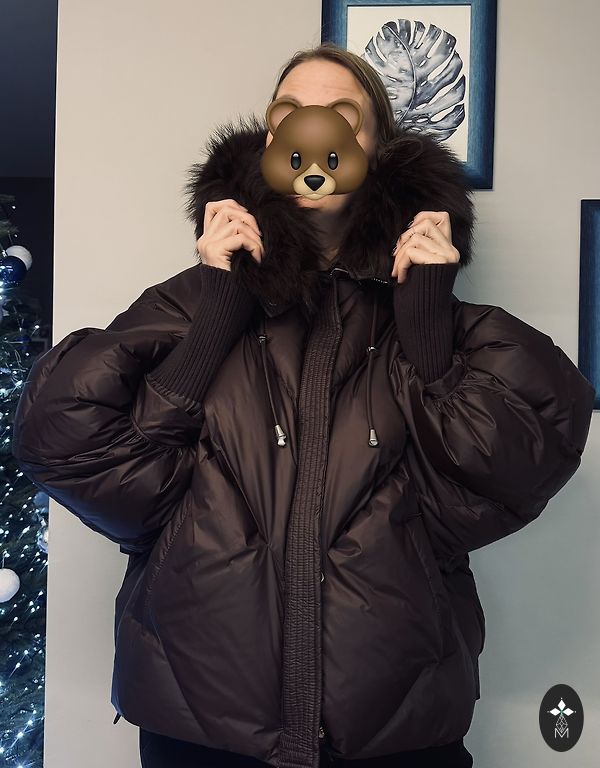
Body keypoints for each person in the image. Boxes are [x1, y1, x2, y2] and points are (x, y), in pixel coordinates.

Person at [11, 42, 595, 768]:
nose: (312, 131)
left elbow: (504, 474)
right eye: (289, 114)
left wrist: (424, 325)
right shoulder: (191, 304)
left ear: (379, 152)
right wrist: (217, 312)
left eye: (342, 116)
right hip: (202, 727)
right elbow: (72, 451)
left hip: (395, 731)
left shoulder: (439, 322)